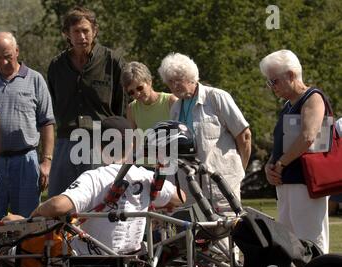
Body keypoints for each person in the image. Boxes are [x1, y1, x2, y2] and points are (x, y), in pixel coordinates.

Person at [0, 116, 185, 257]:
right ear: (133, 144)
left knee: (8, 223)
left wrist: (30, 219)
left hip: (77, 259)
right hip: (129, 257)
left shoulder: (96, 177)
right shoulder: (147, 178)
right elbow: (180, 197)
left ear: (99, 145)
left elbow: (56, 207)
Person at [47, 6, 127, 198]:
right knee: (59, 201)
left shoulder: (112, 61)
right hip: (66, 141)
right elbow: (55, 104)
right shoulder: (56, 66)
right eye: (76, 31)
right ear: (66, 34)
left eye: (86, 31)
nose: (82, 36)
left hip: (100, 142)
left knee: (96, 201)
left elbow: (122, 108)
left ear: (95, 31)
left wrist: (121, 150)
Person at [158, 53, 252, 212]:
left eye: (178, 80)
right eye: (170, 82)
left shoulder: (216, 97)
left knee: (224, 232)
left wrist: (239, 171)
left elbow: (244, 136)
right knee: (195, 234)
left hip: (221, 184)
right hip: (189, 185)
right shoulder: (175, 108)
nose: (174, 86)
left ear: (191, 78)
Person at [260, 49, 329, 253]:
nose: (272, 87)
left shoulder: (312, 97)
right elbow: (281, 142)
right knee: (289, 241)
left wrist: (280, 164)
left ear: (291, 75)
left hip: (306, 180)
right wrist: (269, 166)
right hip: (287, 181)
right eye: (270, 82)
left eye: (274, 81)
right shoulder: (288, 105)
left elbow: (308, 136)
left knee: (310, 238)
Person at [0, 32, 55, 220]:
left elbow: (47, 122)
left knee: (28, 221)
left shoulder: (35, 79)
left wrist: (46, 161)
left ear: (17, 51)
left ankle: (25, 251)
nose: (4, 62)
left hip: (26, 160)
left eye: (7, 56)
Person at [121, 61, 177, 131]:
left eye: (139, 88)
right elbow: (132, 140)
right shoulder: (132, 109)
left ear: (149, 81)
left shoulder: (171, 101)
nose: (137, 94)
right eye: (131, 92)